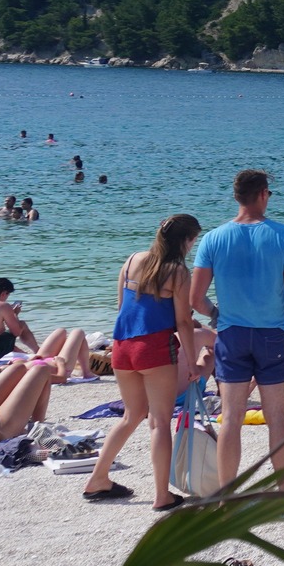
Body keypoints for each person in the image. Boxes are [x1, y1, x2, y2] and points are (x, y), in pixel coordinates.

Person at [190, 169, 284, 486]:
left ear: (237, 197)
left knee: (232, 419)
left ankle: (226, 496)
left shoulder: (213, 238)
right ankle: (283, 492)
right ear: (263, 194)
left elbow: (195, 298)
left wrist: (217, 313)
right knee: (277, 418)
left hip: (231, 335)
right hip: (272, 336)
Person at [83, 214, 203, 506]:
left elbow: (122, 306)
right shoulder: (177, 272)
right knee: (160, 421)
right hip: (155, 347)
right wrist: (192, 360)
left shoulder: (132, 260)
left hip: (122, 346)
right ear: (186, 241)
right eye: (193, 241)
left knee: (130, 415)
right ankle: (162, 495)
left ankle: (97, 479)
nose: (193, 247)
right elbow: (184, 322)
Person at [0, 279, 92, 376]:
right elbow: (16, 332)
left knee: (3, 334)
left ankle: (36, 353)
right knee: (21, 325)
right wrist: (14, 315)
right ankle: (37, 350)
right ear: (4, 293)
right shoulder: (2, 306)